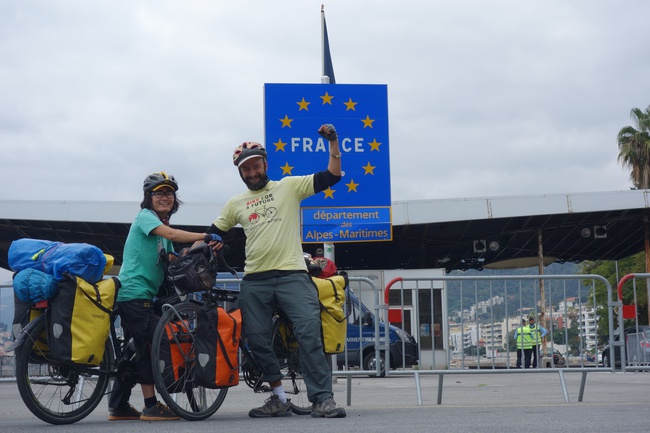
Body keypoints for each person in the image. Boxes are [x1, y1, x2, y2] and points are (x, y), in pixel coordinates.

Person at [204, 124, 346, 418]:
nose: (252, 172)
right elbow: (213, 232)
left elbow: (331, 175)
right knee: (256, 339)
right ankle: (278, 398)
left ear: (265, 165)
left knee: (308, 332)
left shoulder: (288, 187)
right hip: (255, 279)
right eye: (246, 169)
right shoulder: (235, 203)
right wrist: (204, 243)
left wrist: (333, 142)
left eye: (256, 166)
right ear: (240, 173)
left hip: (292, 274)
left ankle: (322, 398)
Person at [108, 172, 220, 421]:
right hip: (134, 292)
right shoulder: (146, 218)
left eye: (169, 192)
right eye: (158, 192)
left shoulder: (162, 229)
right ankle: (151, 406)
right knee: (150, 345)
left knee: (135, 348)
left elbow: (172, 256)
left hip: (144, 294)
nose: (164, 197)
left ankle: (118, 406)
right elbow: (172, 236)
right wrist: (205, 236)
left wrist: (196, 251)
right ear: (148, 197)